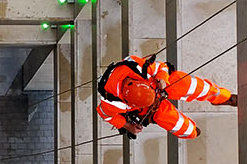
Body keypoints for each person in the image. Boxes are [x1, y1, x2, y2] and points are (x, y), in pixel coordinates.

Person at [95, 54, 236, 140]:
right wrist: (127, 126)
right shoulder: (112, 102)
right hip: (148, 108)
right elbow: (104, 113)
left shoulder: (136, 67)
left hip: (157, 85)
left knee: (189, 84)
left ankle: (224, 97)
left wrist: (162, 79)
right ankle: (191, 132)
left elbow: (160, 67)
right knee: (173, 122)